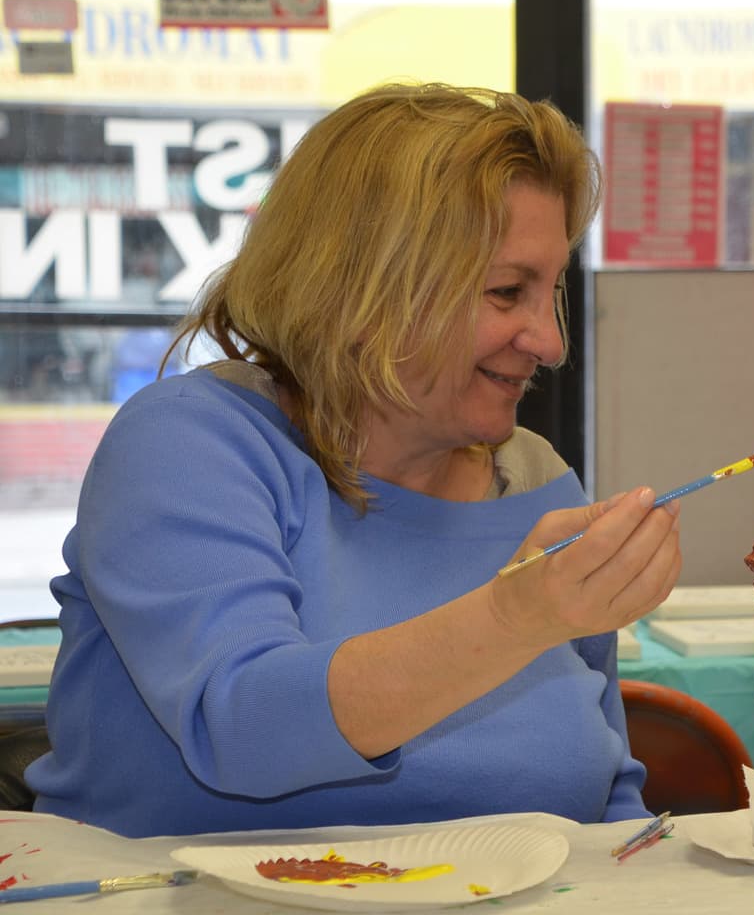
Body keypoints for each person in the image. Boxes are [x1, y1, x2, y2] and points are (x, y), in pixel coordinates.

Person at [28, 83, 684, 837]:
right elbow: (241, 725)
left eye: (553, 291)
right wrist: (514, 617)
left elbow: (605, 787)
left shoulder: (534, 481)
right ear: (365, 291)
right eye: (508, 292)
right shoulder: (190, 447)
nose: (550, 342)